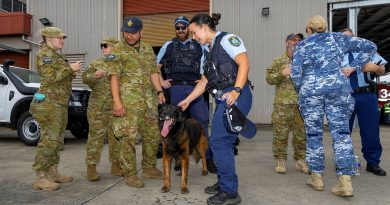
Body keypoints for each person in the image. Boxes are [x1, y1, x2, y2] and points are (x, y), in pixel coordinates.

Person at [291, 15, 377, 197]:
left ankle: (317, 178)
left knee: (313, 133)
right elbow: (371, 47)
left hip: (311, 92)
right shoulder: (339, 38)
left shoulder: (301, 46)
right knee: (341, 134)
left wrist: (302, 90)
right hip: (338, 89)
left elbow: (296, 74)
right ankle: (345, 181)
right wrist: (355, 66)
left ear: (309, 29)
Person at [178, 13, 252, 205]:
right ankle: (224, 182)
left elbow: (244, 63)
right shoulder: (207, 52)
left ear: (204, 27)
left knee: (220, 142)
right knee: (219, 143)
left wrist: (236, 90)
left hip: (237, 95)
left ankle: (230, 192)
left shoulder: (228, 39)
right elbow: (204, 82)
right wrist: (188, 100)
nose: (194, 37)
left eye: (194, 32)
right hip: (223, 98)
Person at [106, 16, 165, 188]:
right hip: (128, 103)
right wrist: (117, 102)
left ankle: (149, 168)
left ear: (141, 32)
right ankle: (130, 174)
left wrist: (159, 91)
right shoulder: (117, 50)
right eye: (126, 32)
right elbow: (113, 78)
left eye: (133, 32)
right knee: (128, 138)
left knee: (152, 136)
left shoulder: (147, 49)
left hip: (149, 101)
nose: (129, 36)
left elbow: (153, 73)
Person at [156, 16, 217, 173]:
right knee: (174, 125)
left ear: (188, 30)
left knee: (202, 124)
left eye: (184, 27)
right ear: (175, 29)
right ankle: (177, 157)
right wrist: (161, 81)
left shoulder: (199, 44)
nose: (181, 30)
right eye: (178, 28)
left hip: (195, 90)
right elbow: (155, 67)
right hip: (176, 90)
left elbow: (210, 61)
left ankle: (208, 158)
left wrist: (205, 79)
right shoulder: (168, 45)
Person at [30, 27, 81, 190]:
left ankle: (52, 172)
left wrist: (69, 72)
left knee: (57, 140)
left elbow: (61, 75)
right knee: (48, 140)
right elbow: (50, 77)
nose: (62, 40)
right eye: (58, 38)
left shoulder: (58, 55)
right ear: (48, 38)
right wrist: (70, 69)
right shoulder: (44, 55)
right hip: (49, 103)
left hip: (59, 103)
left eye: (63, 38)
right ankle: (41, 177)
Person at [340, 28, 387, 176]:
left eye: (350, 37)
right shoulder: (335, 55)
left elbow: (382, 69)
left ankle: (373, 163)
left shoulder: (366, 51)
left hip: (366, 96)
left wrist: (376, 67)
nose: (348, 41)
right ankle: (344, 162)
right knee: (342, 131)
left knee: (371, 130)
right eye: (344, 38)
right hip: (344, 97)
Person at [266, 33, 308, 174]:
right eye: (293, 40)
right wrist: (281, 73)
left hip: (302, 103)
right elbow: (269, 79)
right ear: (286, 43)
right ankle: (280, 160)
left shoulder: (305, 61)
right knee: (281, 133)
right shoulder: (278, 61)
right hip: (283, 105)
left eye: (299, 40)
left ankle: (301, 160)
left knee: (302, 134)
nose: (296, 42)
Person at [82, 38, 121, 181]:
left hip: (115, 107)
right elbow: (85, 78)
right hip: (97, 107)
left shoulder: (120, 64)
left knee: (116, 137)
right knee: (96, 138)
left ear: (115, 48)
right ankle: (91, 168)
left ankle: (115, 166)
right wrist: (94, 76)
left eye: (106, 46)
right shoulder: (97, 63)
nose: (103, 48)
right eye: (102, 46)